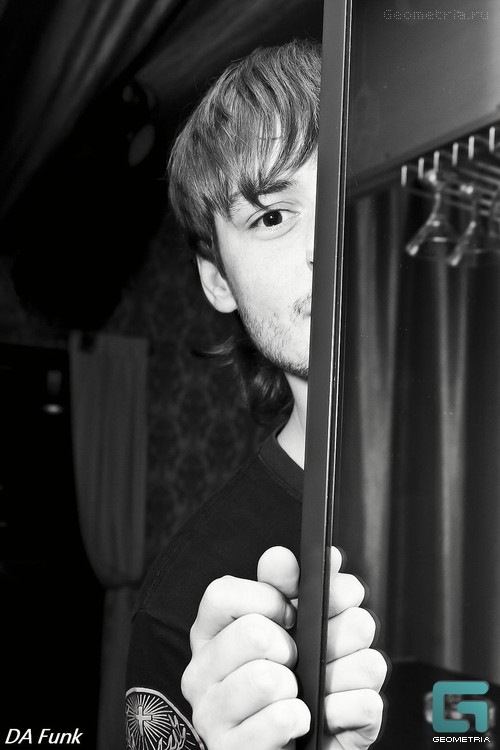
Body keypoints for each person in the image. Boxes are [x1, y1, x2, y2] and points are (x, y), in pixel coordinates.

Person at [126, 40, 387, 750]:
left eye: (354, 189)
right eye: (272, 216)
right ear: (217, 279)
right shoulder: (182, 609)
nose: (329, 246)